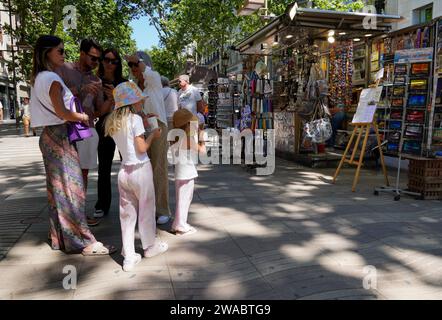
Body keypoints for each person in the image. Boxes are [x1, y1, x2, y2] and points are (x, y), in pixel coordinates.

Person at [30, 35, 115, 255]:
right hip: (61, 135)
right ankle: (83, 241)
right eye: (60, 50)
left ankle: (61, 237)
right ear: (47, 52)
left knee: (59, 191)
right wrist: (79, 116)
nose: (63, 54)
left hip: (51, 135)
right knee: (72, 189)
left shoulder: (40, 77)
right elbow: (62, 112)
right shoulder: (53, 78)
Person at [105, 81, 169, 271]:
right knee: (147, 210)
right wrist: (153, 135)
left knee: (127, 214)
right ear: (132, 103)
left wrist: (143, 120)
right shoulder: (135, 120)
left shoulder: (114, 121)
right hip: (141, 169)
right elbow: (142, 148)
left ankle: (129, 255)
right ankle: (150, 246)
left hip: (124, 171)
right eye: (140, 101)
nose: (142, 103)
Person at [56, 38, 103, 226]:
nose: (95, 63)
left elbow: (98, 109)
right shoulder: (63, 69)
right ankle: (68, 217)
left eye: (97, 60)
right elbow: (55, 97)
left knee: (83, 175)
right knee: (66, 175)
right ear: (82, 53)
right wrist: (80, 89)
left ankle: (80, 215)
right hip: (64, 129)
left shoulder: (96, 79)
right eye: (92, 58)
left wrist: (110, 99)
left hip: (87, 129)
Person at [126, 52, 171, 225]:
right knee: (142, 169)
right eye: (131, 66)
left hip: (157, 126)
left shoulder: (154, 79)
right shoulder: (134, 86)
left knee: (159, 168)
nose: (133, 68)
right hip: (140, 128)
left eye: (136, 65)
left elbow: (148, 72)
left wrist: (137, 61)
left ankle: (162, 209)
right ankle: (146, 208)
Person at [94, 48, 127, 218]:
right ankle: (102, 204)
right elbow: (97, 112)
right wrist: (110, 99)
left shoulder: (124, 83)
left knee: (128, 165)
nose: (110, 64)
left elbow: (130, 109)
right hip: (104, 128)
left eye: (114, 61)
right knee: (104, 168)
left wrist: (116, 99)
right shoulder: (95, 82)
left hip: (122, 127)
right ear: (101, 61)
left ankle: (129, 202)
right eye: (106, 59)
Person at [170, 108, 206, 235]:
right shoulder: (187, 139)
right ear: (187, 125)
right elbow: (202, 151)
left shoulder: (175, 137)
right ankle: (181, 225)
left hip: (180, 173)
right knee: (185, 199)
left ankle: (178, 223)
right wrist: (202, 139)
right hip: (187, 173)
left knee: (181, 199)